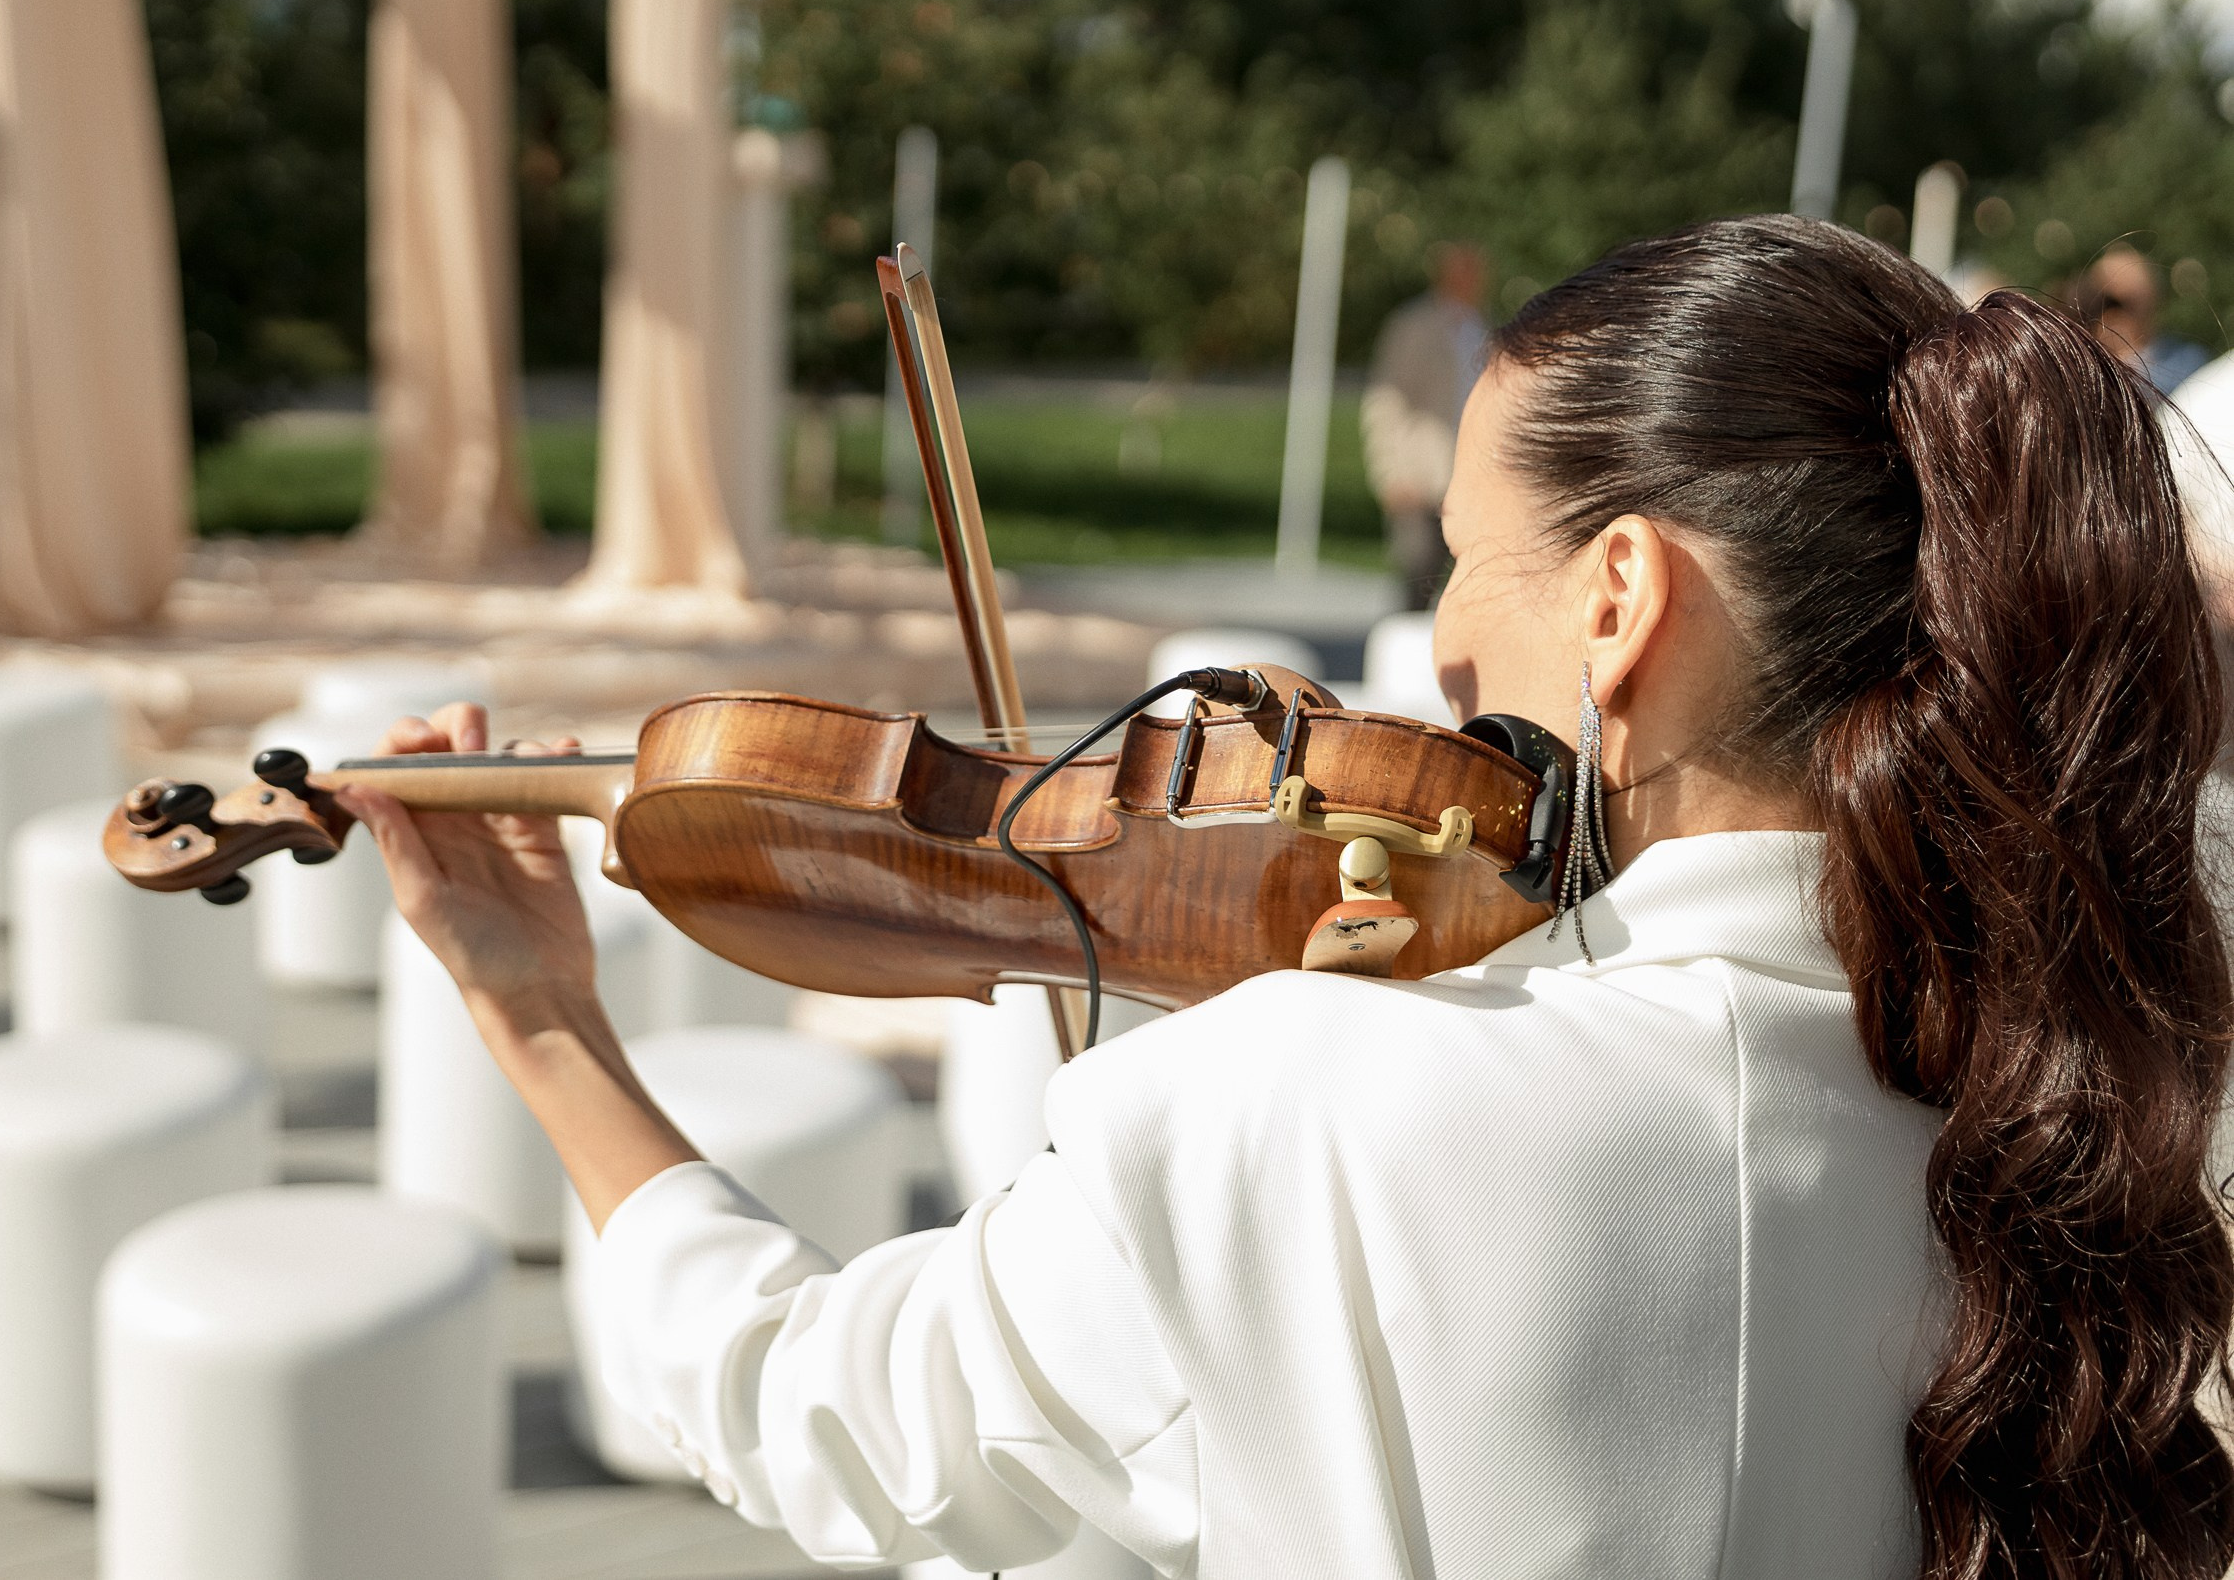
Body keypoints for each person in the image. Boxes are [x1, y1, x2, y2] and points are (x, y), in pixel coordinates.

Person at [344, 216, 2234, 1580]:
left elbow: (814, 1412)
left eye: (1481, 563)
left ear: (1621, 596)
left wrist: (538, 1012)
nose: (1435, 646)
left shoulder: (1297, 1100)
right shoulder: (2106, 1088)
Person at [1360, 242, 1489, 609]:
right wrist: (1389, 470)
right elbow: (1386, 400)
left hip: (1466, 472)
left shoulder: (1482, 327)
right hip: (1419, 472)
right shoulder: (1413, 326)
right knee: (1417, 572)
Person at [2077, 244, 2210, 395]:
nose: (2112, 314)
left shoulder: (2187, 361)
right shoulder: (2081, 367)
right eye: (2104, 302)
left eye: (2122, 304)